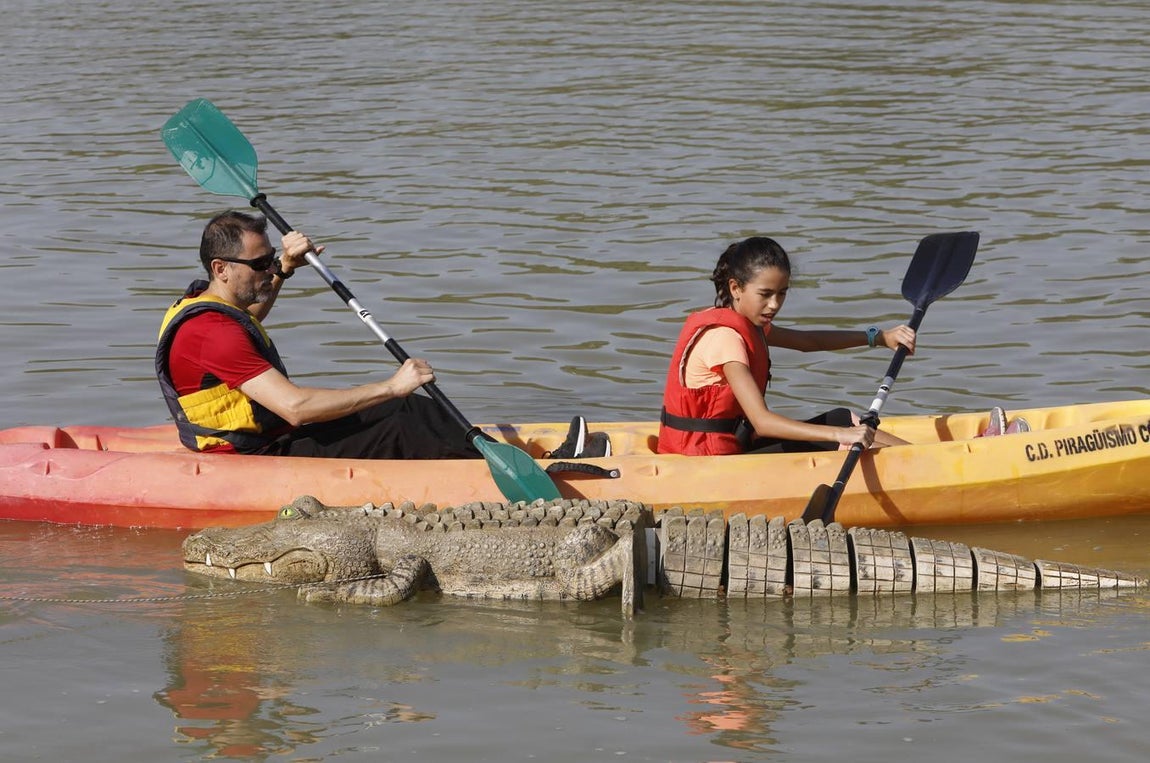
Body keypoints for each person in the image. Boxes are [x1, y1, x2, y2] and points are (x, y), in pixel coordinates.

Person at [155, 210, 480, 460]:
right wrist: (391, 387)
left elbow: (248, 319)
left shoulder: (206, 303)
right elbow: (295, 408)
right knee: (401, 425)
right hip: (254, 455)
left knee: (406, 407)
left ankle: (483, 452)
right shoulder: (213, 334)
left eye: (271, 258)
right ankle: (484, 472)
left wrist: (285, 267)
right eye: (261, 264)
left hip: (267, 437)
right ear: (220, 268)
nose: (270, 268)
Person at [658, 236, 916, 456]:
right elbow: (762, 422)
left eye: (781, 293)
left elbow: (808, 342)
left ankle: (921, 457)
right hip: (705, 458)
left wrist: (878, 337)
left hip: (734, 442)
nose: (774, 304)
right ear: (735, 288)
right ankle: (922, 465)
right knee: (840, 435)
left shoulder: (749, 325)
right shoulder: (725, 339)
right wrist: (839, 435)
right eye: (765, 294)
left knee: (841, 417)